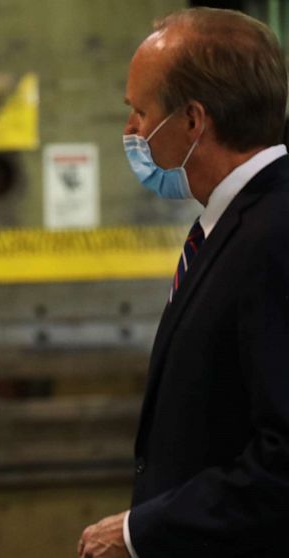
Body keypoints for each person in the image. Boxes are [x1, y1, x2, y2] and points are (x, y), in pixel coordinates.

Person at [79, 8, 289, 558]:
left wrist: (141, 532)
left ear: (193, 121)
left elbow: (283, 460)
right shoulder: (232, 224)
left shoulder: (275, 236)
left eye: (140, 112)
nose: (132, 133)